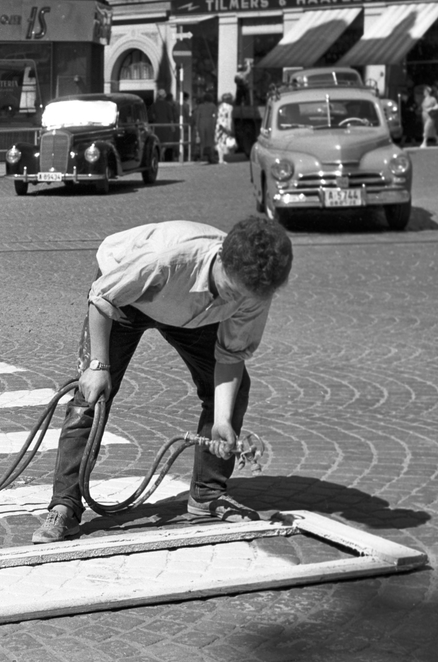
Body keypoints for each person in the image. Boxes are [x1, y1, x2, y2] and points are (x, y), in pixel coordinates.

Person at [34, 217, 294, 544]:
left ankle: (207, 495)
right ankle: (65, 506)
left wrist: (223, 421)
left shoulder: (253, 289)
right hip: (125, 296)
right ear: (221, 262)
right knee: (92, 395)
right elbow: (102, 298)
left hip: (193, 311)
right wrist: (98, 365)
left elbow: (230, 355)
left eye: (244, 297)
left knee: (234, 389)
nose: (236, 302)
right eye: (232, 290)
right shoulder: (170, 260)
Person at [194, 93, 217, 164]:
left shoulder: (200, 106)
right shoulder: (213, 106)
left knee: (202, 142)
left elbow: (198, 116)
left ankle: (201, 156)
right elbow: (215, 116)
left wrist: (196, 126)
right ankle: (212, 156)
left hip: (201, 123)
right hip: (210, 124)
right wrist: (214, 124)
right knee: (211, 141)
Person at [215, 93, 236, 163]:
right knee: (224, 141)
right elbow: (229, 118)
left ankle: (220, 158)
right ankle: (221, 159)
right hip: (225, 125)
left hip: (218, 125)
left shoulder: (219, 106)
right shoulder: (230, 107)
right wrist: (230, 128)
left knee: (219, 141)